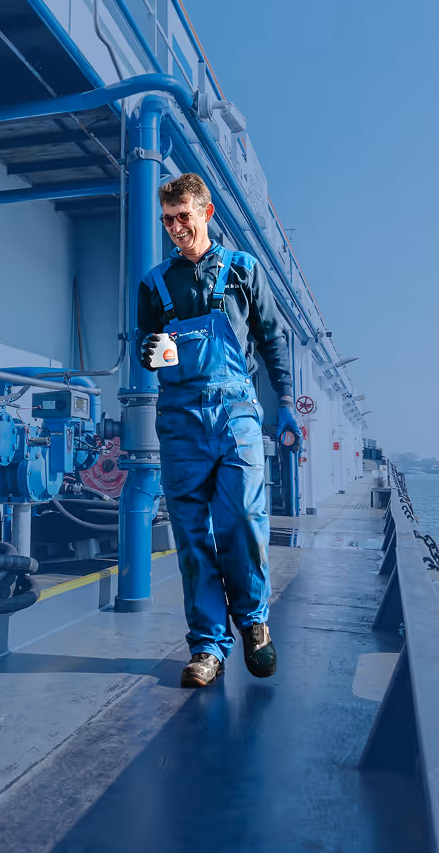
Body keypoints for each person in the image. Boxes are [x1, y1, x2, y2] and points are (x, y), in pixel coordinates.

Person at [137, 173, 302, 688]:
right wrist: (146, 353)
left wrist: (288, 405)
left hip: (236, 416)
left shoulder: (243, 271)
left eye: (184, 216)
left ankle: (253, 621)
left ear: (207, 214)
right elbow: (146, 346)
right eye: (167, 220)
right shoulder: (153, 284)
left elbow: (271, 340)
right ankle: (208, 647)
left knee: (244, 524)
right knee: (191, 538)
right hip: (180, 420)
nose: (176, 228)